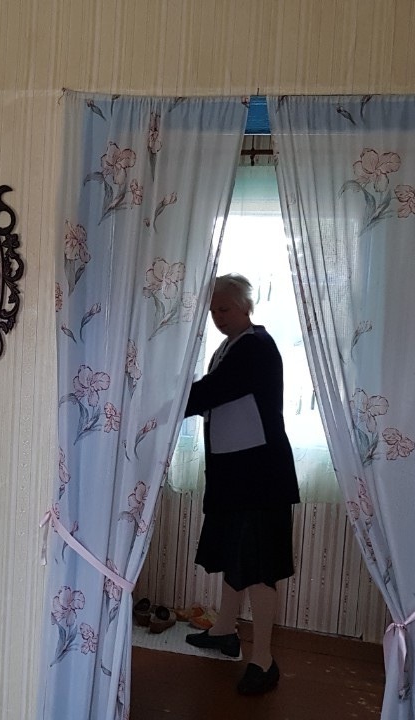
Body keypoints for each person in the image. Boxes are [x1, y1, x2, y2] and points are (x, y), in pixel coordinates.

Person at [181, 273, 301, 695]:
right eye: (213, 310)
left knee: (259, 568)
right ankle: (224, 631)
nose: (218, 316)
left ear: (246, 307)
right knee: (236, 556)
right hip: (236, 475)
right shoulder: (229, 347)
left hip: (259, 478)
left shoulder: (255, 346)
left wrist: (161, 403)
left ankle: (264, 660)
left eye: (225, 308)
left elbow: (212, 392)